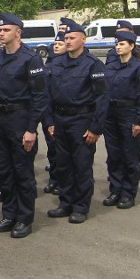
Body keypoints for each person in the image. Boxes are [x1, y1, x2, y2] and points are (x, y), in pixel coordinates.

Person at [0, 13, 47, 239]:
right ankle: (9, 214)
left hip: (20, 119)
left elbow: (39, 97)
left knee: (22, 172)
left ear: (18, 33)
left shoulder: (30, 59)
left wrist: (31, 129)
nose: (1, 34)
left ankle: (24, 218)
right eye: (0, 31)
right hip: (0, 121)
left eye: (6, 30)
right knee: (5, 172)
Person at [46, 18, 109, 224]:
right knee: (62, 165)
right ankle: (66, 203)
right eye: (66, 38)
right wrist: (50, 122)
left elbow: (102, 98)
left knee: (81, 165)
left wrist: (95, 128)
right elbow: (48, 95)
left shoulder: (93, 64)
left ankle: (81, 207)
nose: (69, 41)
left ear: (83, 39)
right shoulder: (57, 62)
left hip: (82, 120)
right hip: (60, 119)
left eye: (72, 38)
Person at [102, 31, 140, 209]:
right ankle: (115, 189)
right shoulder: (110, 67)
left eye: (122, 44)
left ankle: (128, 192)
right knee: (114, 155)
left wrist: (139, 120)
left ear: (131, 46)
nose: (118, 47)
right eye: (117, 44)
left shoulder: (139, 67)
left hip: (129, 114)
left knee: (130, 155)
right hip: (111, 115)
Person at [41, 32, 66, 195]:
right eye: (55, 44)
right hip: (48, 112)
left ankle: (62, 182)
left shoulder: (67, 64)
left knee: (62, 152)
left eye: (60, 44)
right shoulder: (48, 63)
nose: (56, 46)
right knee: (52, 149)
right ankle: (54, 179)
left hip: (62, 114)